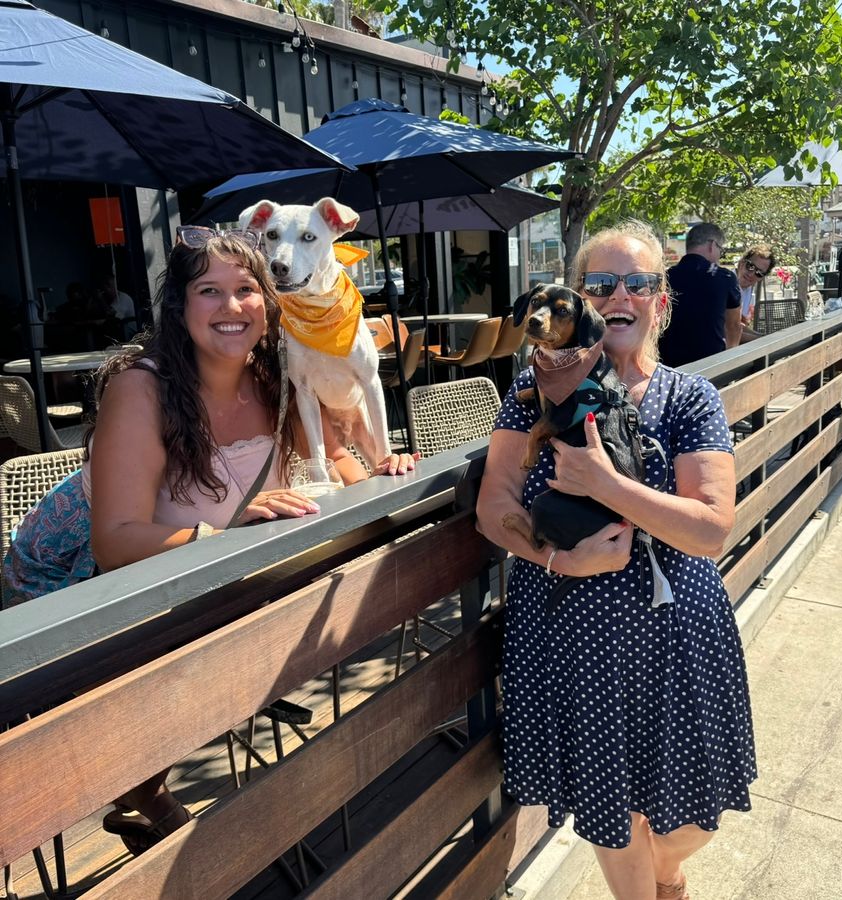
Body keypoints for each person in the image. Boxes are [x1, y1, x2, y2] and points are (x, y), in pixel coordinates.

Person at [5, 228, 418, 853]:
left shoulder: (278, 377)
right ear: (179, 307)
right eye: (209, 291)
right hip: (70, 589)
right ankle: (150, 799)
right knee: (187, 658)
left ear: (269, 301)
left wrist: (378, 469)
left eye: (247, 290)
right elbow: (115, 542)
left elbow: (334, 455)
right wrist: (224, 534)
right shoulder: (141, 388)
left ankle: (166, 797)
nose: (232, 307)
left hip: (189, 581)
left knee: (237, 631)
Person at [476, 220, 756, 900]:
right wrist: (556, 561)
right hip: (571, 633)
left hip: (674, 637)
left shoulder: (688, 399)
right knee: (611, 807)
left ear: (661, 300)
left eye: (638, 282)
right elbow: (495, 507)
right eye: (601, 283)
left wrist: (608, 486)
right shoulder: (530, 394)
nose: (619, 295)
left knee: (693, 818)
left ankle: (667, 876)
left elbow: (712, 527)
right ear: (576, 300)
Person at [659, 223, 742, 367]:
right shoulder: (725, 277)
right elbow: (734, 325)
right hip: (711, 367)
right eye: (720, 249)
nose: (720, 255)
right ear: (712, 245)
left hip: (669, 368)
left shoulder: (664, 277)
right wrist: (730, 360)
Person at [735, 245, 775, 342]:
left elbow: (739, 324)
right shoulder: (727, 285)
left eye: (759, 273)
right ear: (741, 263)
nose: (751, 274)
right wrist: (764, 340)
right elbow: (729, 330)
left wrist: (763, 336)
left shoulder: (747, 289)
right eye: (750, 266)